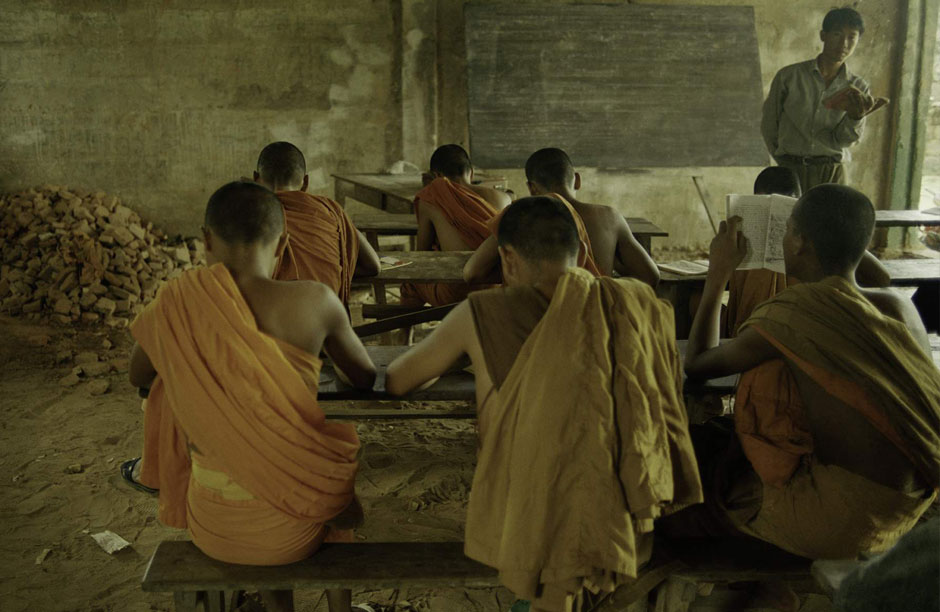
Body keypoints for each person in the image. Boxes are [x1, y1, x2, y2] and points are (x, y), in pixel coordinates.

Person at [386, 197, 702, 611]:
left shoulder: (484, 311)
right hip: (622, 508)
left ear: (508, 258)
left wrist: (464, 358)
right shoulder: (633, 305)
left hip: (526, 506)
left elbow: (397, 380)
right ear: (581, 253)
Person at [125, 182, 376, 612]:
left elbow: (138, 374)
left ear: (205, 239)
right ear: (285, 241)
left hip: (214, 527)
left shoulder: (177, 302)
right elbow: (365, 378)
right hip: (294, 533)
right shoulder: (316, 300)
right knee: (330, 475)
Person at [682, 184, 939, 561]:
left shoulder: (796, 312)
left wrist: (718, 273)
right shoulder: (899, 306)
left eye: (786, 231)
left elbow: (698, 363)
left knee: (691, 501)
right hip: (908, 504)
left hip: (844, 521)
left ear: (800, 243)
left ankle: (763, 592)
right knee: (720, 440)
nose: (783, 239)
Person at [725, 166, 891, 336]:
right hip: (765, 323)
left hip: (794, 323)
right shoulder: (745, 235)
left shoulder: (811, 238)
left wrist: (829, 228)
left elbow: (883, 279)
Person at [463, 148, 660, 287]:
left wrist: (523, 272)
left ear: (531, 188)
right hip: (593, 320)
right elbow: (650, 276)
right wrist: (611, 267)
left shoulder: (519, 215)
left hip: (537, 321)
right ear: (578, 180)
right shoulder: (610, 218)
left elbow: (472, 272)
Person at [761, 8, 876, 191]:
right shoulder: (789, 77)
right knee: (787, 219)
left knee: (830, 219)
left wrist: (856, 118)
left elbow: (845, 140)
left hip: (832, 171)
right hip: (790, 169)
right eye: (837, 34)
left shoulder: (858, 87)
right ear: (823, 35)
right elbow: (769, 125)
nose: (844, 43)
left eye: (851, 37)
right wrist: (783, 160)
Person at [254, 141, 380, 305]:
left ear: (256, 179)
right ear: (305, 182)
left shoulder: (253, 215)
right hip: (328, 319)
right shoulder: (330, 209)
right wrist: (334, 270)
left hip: (276, 320)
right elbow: (373, 265)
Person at [399, 144, 511, 307]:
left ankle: (403, 333)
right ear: (471, 172)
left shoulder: (431, 195)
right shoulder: (503, 198)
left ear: (436, 176)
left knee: (410, 285)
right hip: (496, 288)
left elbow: (422, 254)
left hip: (456, 292)